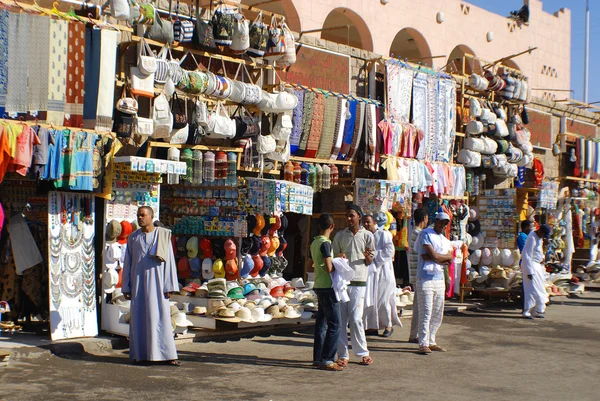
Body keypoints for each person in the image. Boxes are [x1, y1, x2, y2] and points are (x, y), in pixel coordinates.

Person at [122, 206, 180, 366]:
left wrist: (169, 285)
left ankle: (167, 355)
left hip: (158, 284)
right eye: (138, 215)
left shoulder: (162, 235)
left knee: (160, 317)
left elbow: (169, 262)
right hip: (138, 284)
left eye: (143, 215)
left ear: (151, 216)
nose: (140, 218)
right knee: (140, 318)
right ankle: (141, 354)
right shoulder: (133, 238)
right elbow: (128, 263)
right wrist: (126, 286)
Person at [332, 204, 375, 366]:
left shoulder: (368, 236)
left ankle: (362, 352)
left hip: (359, 282)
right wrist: (339, 256)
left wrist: (367, 256)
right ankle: (343, 355)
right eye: (347, 216)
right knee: (341, 320)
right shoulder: (340, 236)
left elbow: (370, 260)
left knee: (356, 319)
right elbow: (333, 258)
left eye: (352, 215)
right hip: (342, 283)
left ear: (359, 216)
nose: (349, 219)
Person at [308, 214, 343, 371]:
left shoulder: (314, 242)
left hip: (319, 285)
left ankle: (318, 357)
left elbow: (310, 265)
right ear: (332, 226)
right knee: (335, 324)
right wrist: (340, 264)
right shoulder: (326, 244)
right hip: (328, 287)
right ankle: (327, 359)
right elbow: (329, 267)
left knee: (321, 324)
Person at [416, 212, 453, 355]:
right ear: (435, 221)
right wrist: (438, 258)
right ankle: (423, 342)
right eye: (441, 222)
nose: (443, 225)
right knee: (426, 311)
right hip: (425, 278)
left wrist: (435, 258)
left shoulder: (444, 239)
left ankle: (431, 340)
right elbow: (434, 255)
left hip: (439, 278)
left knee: (437, 311)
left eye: (445, 223)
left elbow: (447, 258)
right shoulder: (426, 234)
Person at [363, 213, 402, 337]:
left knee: (383, 299)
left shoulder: (384, 234)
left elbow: (390, 250)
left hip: (384, 270)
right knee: (371, 299)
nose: (365, 224)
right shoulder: (364, 235)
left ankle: (388, 325)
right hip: (370, 271)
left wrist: (374, 255)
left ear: (374, 222)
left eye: (368, 222)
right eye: (363, 222)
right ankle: (371, 326)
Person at [521, 224, 551, 319]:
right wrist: (529, 271)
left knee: (539, 288)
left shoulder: (539, 238)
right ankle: (526, 311)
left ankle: (535, 310)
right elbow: (526, 255)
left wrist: (542, 259)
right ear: (540, 231)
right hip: (531, 266)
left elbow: (538, 252)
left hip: (537, 266)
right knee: (531, 289)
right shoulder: (532, 238)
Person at [408, 208, 428, 343]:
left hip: (416, 273)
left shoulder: (414, 233)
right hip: (419, 273)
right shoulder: (419, 234)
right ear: (425, 218)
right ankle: (415, 334)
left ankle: (414, 333)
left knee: (418, 305)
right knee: (420, 306)